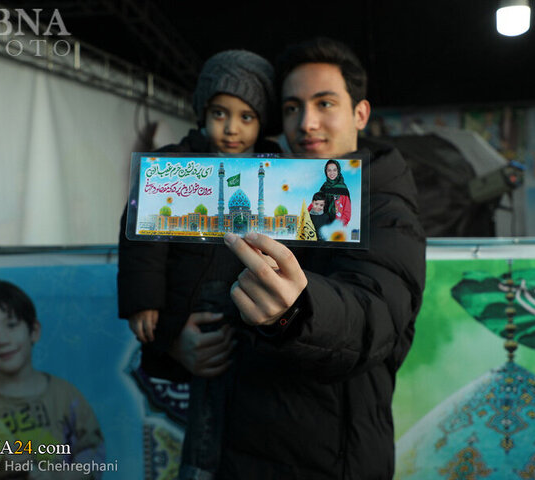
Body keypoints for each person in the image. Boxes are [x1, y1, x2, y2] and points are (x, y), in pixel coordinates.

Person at [212, 37, 426, 479]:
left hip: (333, 460)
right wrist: (184, 341)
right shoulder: (265, 194)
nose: (306, 123)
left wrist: (298, 312)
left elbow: (375, 319)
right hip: (242, 450)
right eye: (292, 108)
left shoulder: (385, 207)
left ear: (359, 114)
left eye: (324, 103)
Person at [117, 49, 279, 479]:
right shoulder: (173, 164)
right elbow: (142, 241)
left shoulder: (279, 171)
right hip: (194, 321)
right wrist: (145, 303)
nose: (231, 127)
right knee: (204, 436)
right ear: (202, 112)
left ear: (262, 122)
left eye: (247, 116)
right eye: (220, 113)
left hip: (257, 328)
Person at [0, 280, 105, 479]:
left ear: (34, 331)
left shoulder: (65, 396)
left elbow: (93, 455)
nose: (2, 340)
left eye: (11, 325)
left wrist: (57, 476)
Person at [318, 159, 351, 225]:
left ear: (338, 171)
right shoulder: (324, 187)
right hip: (323, 225)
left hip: (338, 226)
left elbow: (347, 210)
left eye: (334, 170)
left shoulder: (343, 188)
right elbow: (316, 202)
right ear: (326, 171)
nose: (332, 173)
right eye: (329, 170)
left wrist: (341, 224)